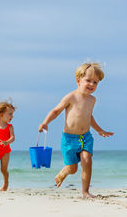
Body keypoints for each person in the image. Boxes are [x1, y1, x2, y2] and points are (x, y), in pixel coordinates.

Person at [38, 62, 114, 198]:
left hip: (86, 137)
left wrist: (99, 130)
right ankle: (63, 172)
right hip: (69, 140)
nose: (91, 84)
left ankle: (85, 191)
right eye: (88, 80)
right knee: (73, 169)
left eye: (95, 82)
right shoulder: (71, 97)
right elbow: (56, 111)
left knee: (87, 159)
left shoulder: (92, 100)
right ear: (78, 80)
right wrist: (45, 122)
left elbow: (89, 117)